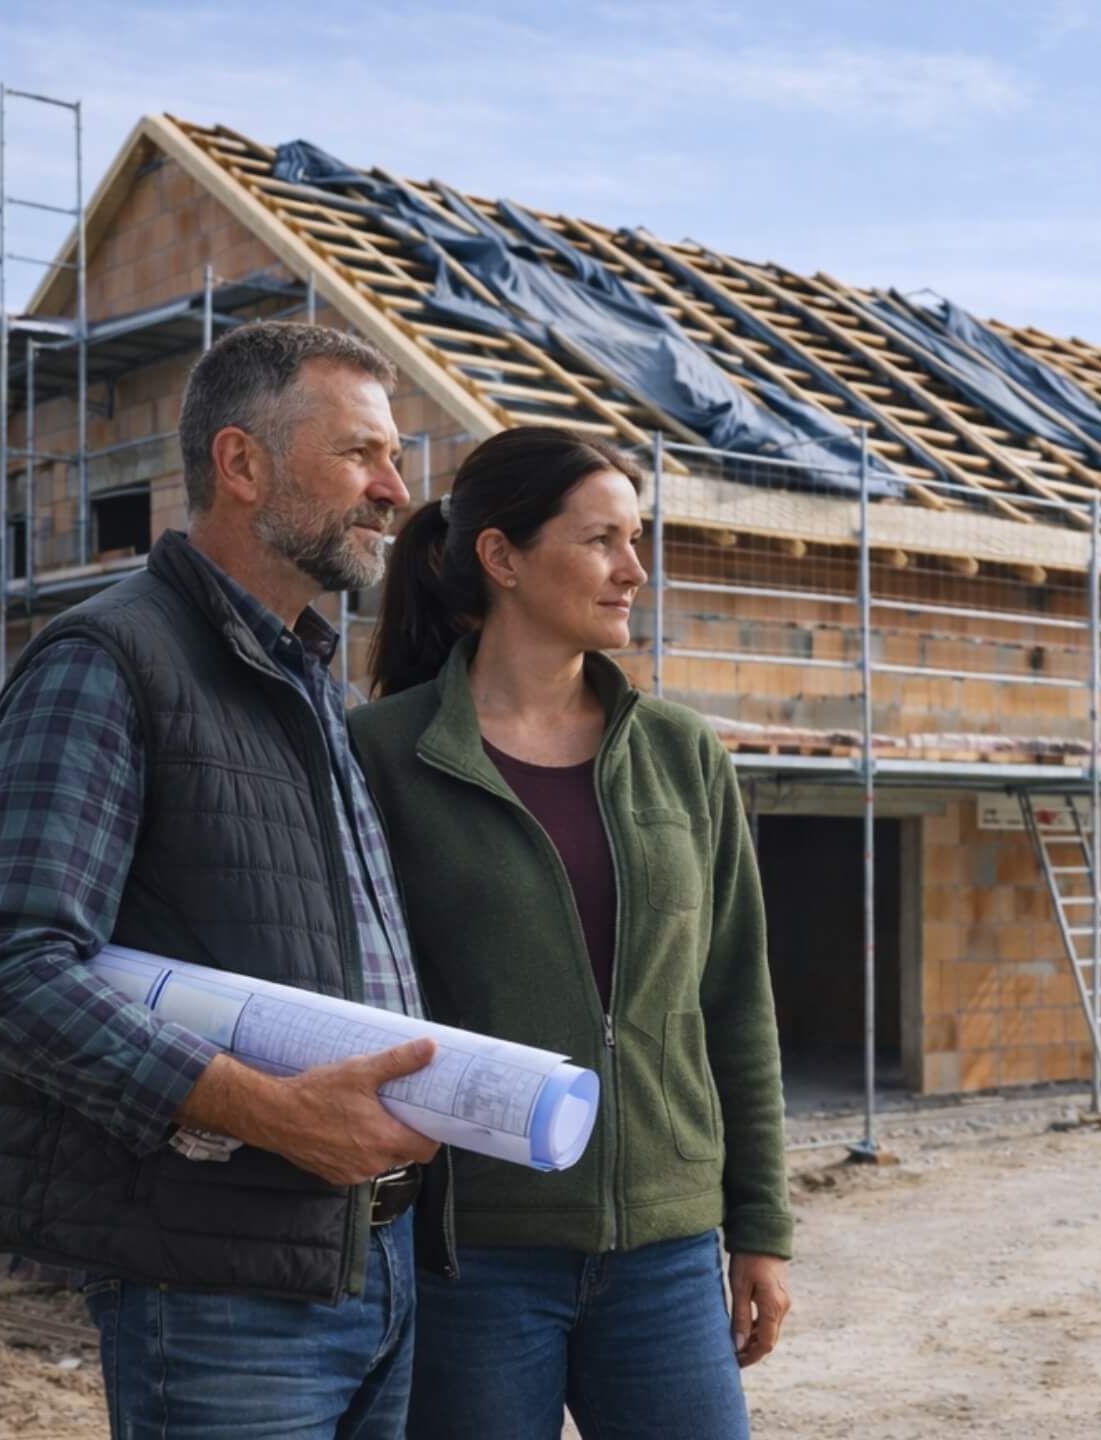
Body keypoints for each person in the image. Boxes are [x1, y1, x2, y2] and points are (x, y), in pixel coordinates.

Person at [0, 322, 449, 1440]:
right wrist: (270, 1115)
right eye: (361, 454)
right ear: (241, 463)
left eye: (393, 458)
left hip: (374, 1262)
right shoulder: (109, 660)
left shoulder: (310, 682)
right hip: (219, 1288)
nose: (394, 491)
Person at [352, 425, 792, 1439]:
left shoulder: (683, 755)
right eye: (600, 541)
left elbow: (735, 1003)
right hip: (471, 1257)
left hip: (668, 1255)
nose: (633, 571)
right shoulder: (381, 753)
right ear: (501, 557)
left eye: (635, 541)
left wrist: (759, 1228)